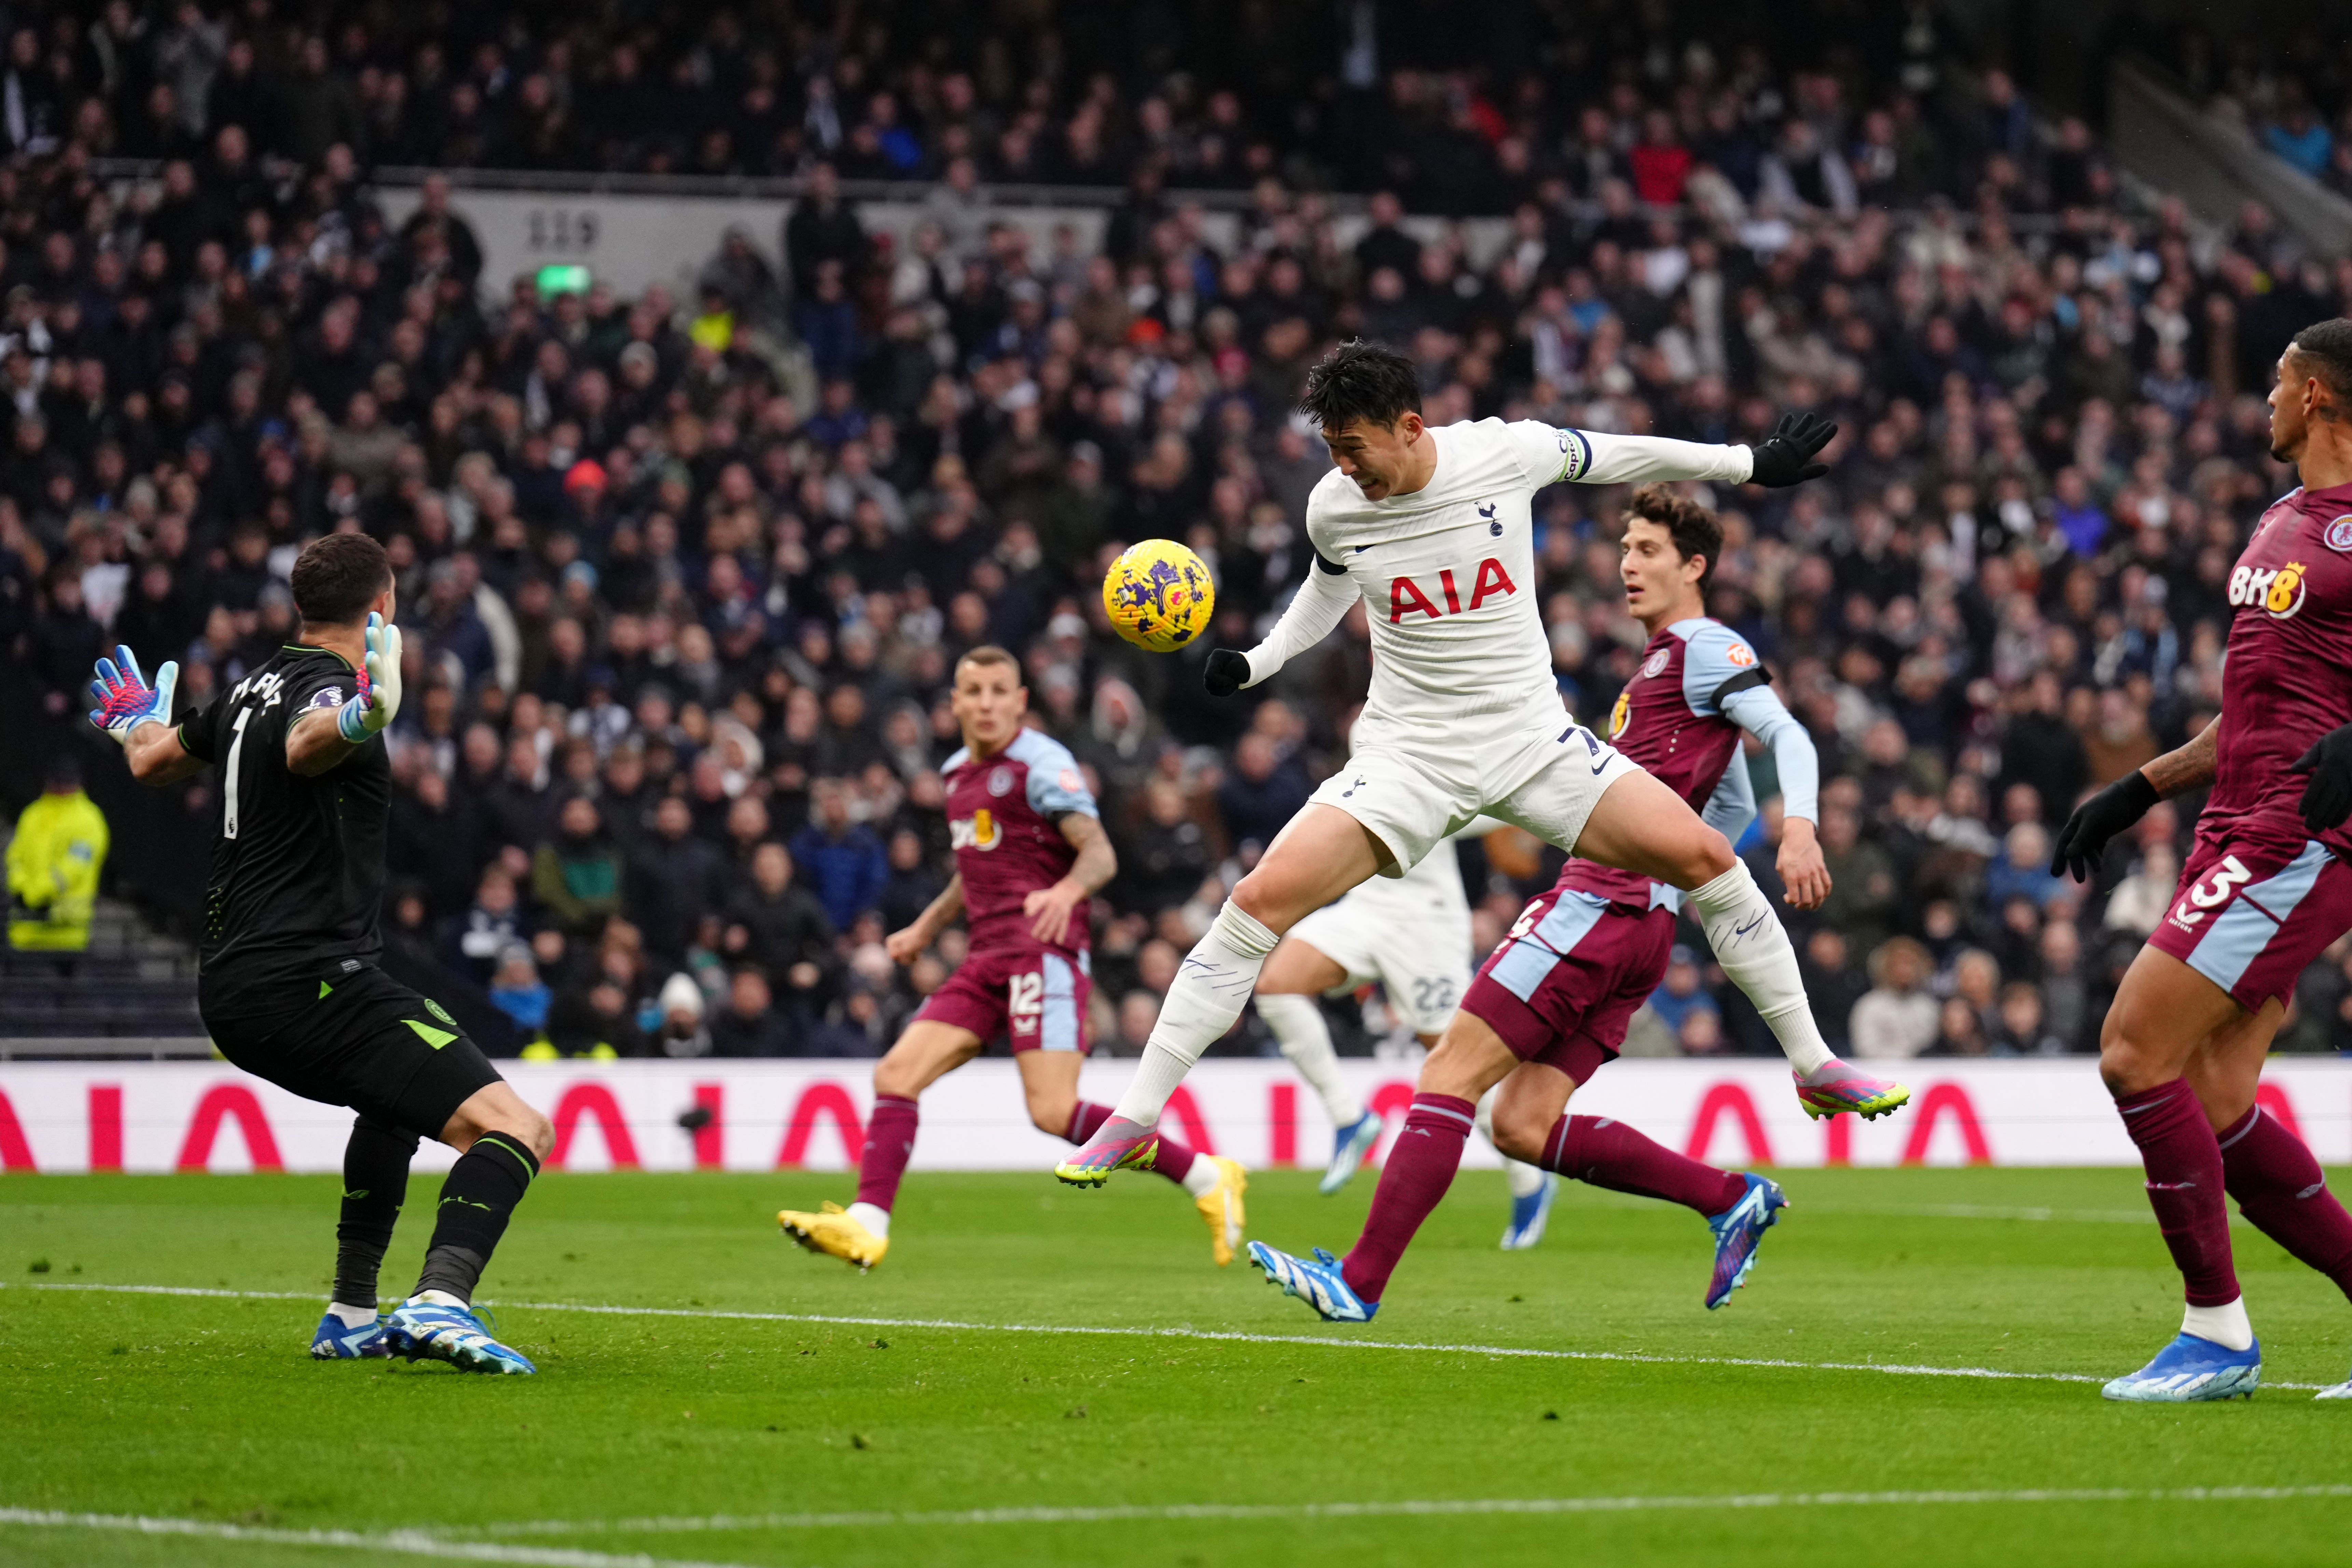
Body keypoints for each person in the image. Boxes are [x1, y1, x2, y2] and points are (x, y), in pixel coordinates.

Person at [1060, 341, 1900, 1193]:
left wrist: (1745, 464)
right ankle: (1134, 1118)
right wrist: (1257, 662)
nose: (1343, 469)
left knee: (1707, 861)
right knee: (1256, 903)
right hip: (1407, 754)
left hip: (1528, 740)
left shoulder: (1505, 452)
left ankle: (1811, 1062)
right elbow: (1328, 586)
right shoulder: (1334, 506)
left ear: (1411, 426)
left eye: (1354, 448)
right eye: (1330, 452)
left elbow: (1618, 454)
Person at [1246, 485, 1838, 1321]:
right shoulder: (1661, 665)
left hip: (1597, 906)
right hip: (1640, 927)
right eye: (1625, 549)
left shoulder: (1701, 646)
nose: (1627, 565)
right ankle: (1726, 1197)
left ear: (1693, 565)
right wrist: (1674, 882)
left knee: (1448, 1072)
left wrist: (1800, 828)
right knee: (1520, 1123)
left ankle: (1359, 1278)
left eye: (1647, 551)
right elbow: (1728, 807)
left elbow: (1788, 736)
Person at [88, 533, 550, 1374]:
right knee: (515, 1126)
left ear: (303, 606)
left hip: (235, 984)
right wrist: (361, 716)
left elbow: (154, 761)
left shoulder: (243, 690)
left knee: (395, 1102)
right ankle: (443, 1296)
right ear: (383, 605)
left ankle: (350, 1309)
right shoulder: (332, 689)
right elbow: (309, 745)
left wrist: (135, 722)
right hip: (304, 980)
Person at [2048, 319, 2352, 1403]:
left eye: (2277, 384)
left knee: (2135, 1052)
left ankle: (2217, 1336)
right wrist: (2136, 790)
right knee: (2217, 1096)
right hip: (2235, 820)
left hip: (2299, 836)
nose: (2263, 402)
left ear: (2317, 396)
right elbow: (2254, 710)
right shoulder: (2280, 522)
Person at [778, 647, 1246, 1272]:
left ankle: (1205, 1177)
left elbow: (1100, 854)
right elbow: (971, 872)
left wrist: (1066, 890)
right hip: (984, 960)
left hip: (1043, 958)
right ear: (955, 704)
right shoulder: (954, 776)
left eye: (1001, 690)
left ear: (1021, 700)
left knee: (1052, 1111)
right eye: (974, 691)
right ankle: (867, 1225)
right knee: (895, 1076)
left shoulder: (1042, 763)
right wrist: (923, 927)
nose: (988, 702)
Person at [1252, 813, 1562, 1248]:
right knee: (1277, 986)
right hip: (1365, 906)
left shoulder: (1437, 757)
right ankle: (1349, 1116)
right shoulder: (1364, 747)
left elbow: (1474, 804)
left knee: (1458, 1065)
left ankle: (1528, 1176)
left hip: (1426, 925)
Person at [6, 752, 107, 952]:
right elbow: (15, 856)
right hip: (25, 931)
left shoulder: (89, 819)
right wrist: (21, 886)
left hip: (67, 933)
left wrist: (38, 894)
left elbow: (76, 866)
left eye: (67, 782)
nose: (62, 787)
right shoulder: (33, 814)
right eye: (59, 781)